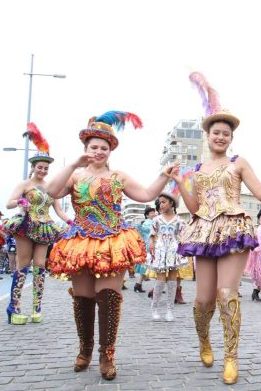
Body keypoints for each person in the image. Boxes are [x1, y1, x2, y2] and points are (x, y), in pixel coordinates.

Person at [173, 71, 261, 385]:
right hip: (204, 231)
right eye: (216, 133)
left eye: (225, 134)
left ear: (231, 138)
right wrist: (180, 184)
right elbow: (194, 209)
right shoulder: (196, 169)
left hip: (233, 228)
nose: (221, 137)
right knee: (203, 301)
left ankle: (231, 357)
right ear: (208, 136)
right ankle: (205, 341)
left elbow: (260, 194)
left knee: (226, 293)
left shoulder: (238, 162)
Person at [46, 111, 176, 380]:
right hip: (80, 241)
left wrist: (164, 175)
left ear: (110, 150)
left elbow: (147, 194)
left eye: (104, 147)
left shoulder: (118, 176)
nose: (99, 151)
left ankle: (107, 355)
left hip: (113, 240)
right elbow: (52, 191)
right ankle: (85, 351)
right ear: (85, 148)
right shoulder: (76, 175)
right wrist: (72, 165)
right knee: (82, 297)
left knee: (108, 296)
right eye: (94, 147)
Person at [4, 123, 70, 325]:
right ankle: (13, 308)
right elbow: (8, 203)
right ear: (33, 167)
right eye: (39, 167)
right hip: (26, 225)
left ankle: (36, 308)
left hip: (45, 226)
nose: (42, 170)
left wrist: (70, 220)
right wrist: (21, 202)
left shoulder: (51, 187)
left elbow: (58, 209)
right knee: (23, 264)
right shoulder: (24, 184)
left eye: (46, 168)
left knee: (40, 265)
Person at [147, 193, 187, 321]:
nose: (161, 205)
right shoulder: (156, 220)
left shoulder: (180, 220)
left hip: (173, 250)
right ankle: (154, 308)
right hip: (160, 250)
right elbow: (152, 235)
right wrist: (152, 246)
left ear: (171, 203)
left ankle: (170, 310)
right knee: (160, 278)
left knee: (172, 279)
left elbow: (182, 236)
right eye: (160, 202)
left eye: (163, 202)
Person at [134, 206, 156, 293]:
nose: (153, 214)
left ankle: (138, 285)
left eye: (154, 212)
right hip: (150, 247)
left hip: (148, 247)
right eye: (151, 213)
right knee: (153, 267)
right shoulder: (149, 223)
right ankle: (157, 287)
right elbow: (147, 232)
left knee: (145, 267)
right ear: (147, 215)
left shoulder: (150, 222)